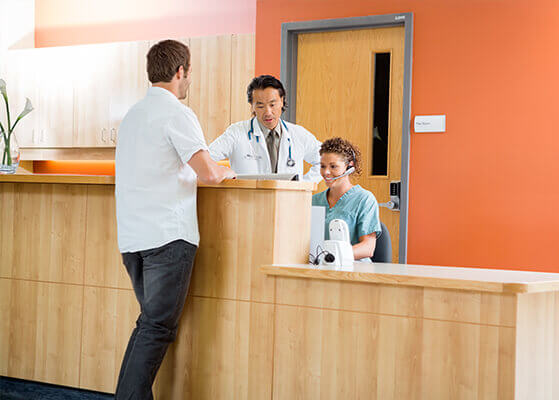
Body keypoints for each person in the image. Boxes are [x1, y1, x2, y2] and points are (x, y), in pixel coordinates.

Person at [114, 39, 235, 400]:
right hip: (167, 239)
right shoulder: (178, 114)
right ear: (181, 71)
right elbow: (209, 173)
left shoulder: (132, 114)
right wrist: (226, 172)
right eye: (189, 73)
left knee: (150, 325)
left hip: (133, 240)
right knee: (155, 328)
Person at [209, 75, 322, 182]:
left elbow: (326, 160)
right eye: (260, 106)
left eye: (272, 105)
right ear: (252, 106)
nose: (268, 112)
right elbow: (206, 159)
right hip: (248, 200)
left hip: (288, 200)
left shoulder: (298, 134)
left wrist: (304, 185)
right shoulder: (236, 132)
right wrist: (222, 172)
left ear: (282, 101)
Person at [312, 137, 381, 261]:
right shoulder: (314, 201)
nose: (326, 172)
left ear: (349, 166)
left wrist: (333, 257)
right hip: (322, 269)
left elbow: (368, 248)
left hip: (354, 270)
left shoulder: (364, 200)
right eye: (323, 166)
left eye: (333, 166)